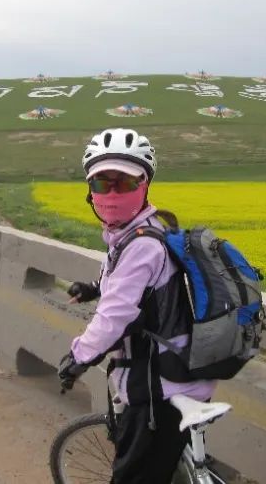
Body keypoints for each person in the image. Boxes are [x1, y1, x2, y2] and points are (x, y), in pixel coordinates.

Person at [58, 128, 215, 484]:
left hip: (159, 389)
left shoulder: (141, 244)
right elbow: (138, 288)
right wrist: (94, 288)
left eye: (124, 183)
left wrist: (78, 358)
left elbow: (115, 317)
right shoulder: (138, 232)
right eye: (101, 183)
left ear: (145, 185)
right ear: (89, 191)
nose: (112, 193)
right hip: (178, 376)